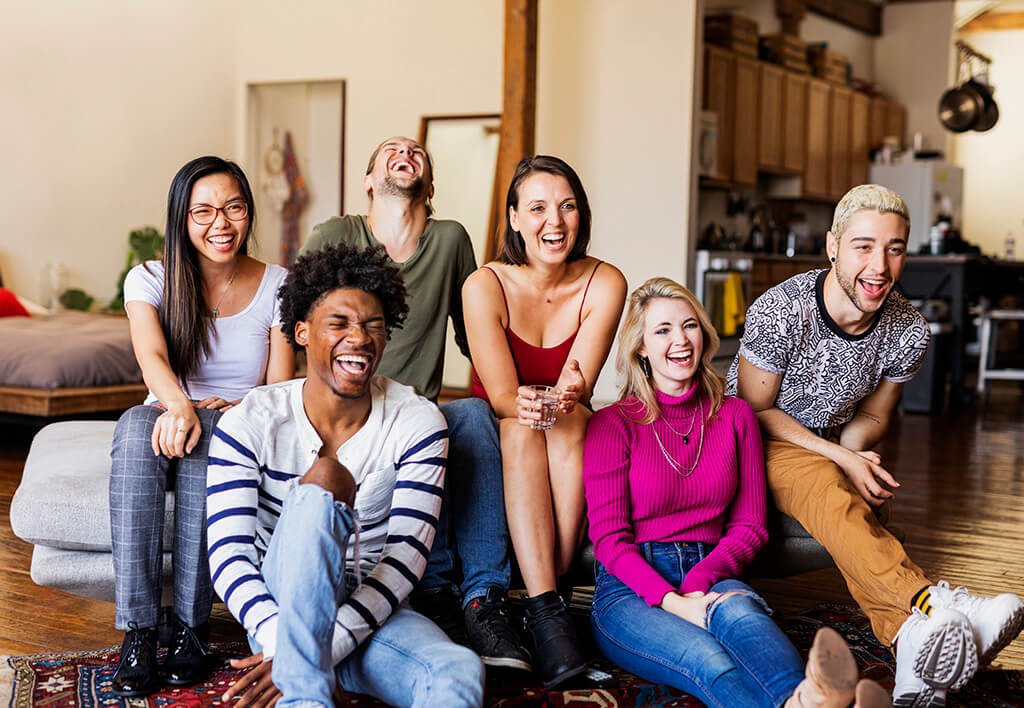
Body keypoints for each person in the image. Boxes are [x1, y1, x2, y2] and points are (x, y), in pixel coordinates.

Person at [729, 184, 1024, 707]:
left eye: (894, 248)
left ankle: (908, 640)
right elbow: (752, 411)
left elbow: (872, 415)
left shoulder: (909, 328)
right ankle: (933, 602)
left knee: (857, 497)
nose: (880, 265)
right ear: (833, 246)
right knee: (827, 481)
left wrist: (857, 452)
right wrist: (840, 457)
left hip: (820, 445)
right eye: (864, 246)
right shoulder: (782, 309)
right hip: (747, 442)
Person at [583, 277, 891, 708]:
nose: (680, 340)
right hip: (630, 589)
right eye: (663, 330)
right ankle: (807, 702)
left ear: (705, 334)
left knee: (744, 621)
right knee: (710, 660)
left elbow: (750, 526)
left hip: (713, 568)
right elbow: (610, 542)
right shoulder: (611, 425)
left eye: (689, 326)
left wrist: (701, 580)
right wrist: (675, 601)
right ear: (640, 348)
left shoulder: (735, 416)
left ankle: (807, 700)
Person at [206, 243, 484, 707]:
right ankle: (305, 700)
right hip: (283, 611)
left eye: (373, 325)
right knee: (327, 479)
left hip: (372, 611)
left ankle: (300, 680)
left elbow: (404, 560)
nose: (359, 337)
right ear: (301, 331)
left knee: (458, 669)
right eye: (338, 323)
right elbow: (228, 555)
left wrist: (307, 654)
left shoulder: (417, 421)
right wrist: (285, 640)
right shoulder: (250, 420)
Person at [300, 136, 528, 670]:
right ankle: (432, 595)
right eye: (391, 150)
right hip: (348, 413)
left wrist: (519, 394)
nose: (407, 151)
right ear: (368, 181)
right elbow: (301, 329)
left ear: (429, 185)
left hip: (418, 413)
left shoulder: (450, 240)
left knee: (471, 416)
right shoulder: (337, 234)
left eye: (417, 152)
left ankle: (483, 602)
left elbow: (476, 336)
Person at [108, 156, 295, 696]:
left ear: (248, 211)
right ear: (181, 218)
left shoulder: (278, 284)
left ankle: (192, 628)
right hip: (164, 420)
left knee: (209, 434)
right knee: (130, 426)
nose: (221, 223)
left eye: (234, 207)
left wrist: (223, 410)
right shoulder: (150, 278)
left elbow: (277, 387)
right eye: (204, 211)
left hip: (239, 423)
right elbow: (151, 357)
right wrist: (182, 406)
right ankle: (140, 631)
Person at [463, 154, 627, 687]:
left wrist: (573, 389)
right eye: (537, 208)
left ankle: (543, 601)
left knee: (570, 419)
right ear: (513, 218)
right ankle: (548, 610)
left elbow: (578, 385)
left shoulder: (605, 282)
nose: (553, 222)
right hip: (500, 422)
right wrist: (530, 406)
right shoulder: (483, 285)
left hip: (565, 419)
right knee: (521, 426)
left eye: (567, 207)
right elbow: (504, 396)